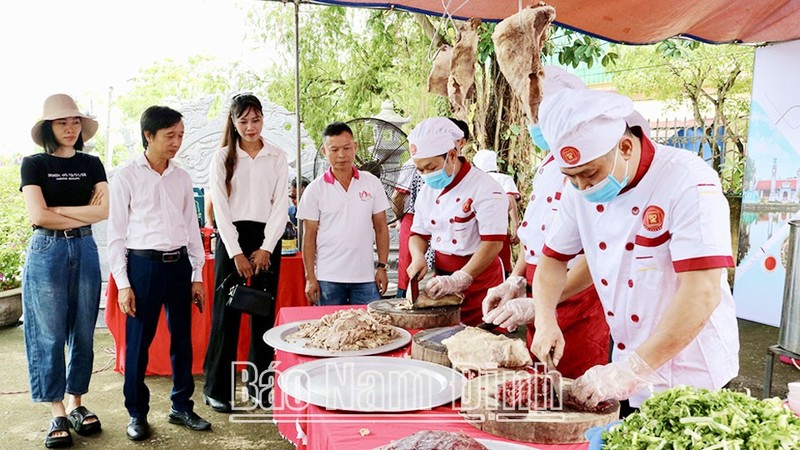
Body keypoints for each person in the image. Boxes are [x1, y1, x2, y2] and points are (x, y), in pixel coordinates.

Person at [529, 88, 739, 414]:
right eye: (571, 178)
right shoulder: (578, 192)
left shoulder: (688, 180)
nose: (583, 188)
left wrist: (632, 369)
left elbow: (703, 290)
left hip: (692, 373)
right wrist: (544, 319)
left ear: (625, 147)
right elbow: (552, 262)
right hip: (626, 363)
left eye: (590, 174)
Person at [481, 67, 610, 380]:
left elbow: (597, 256)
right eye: (531, 115)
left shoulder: (593, 168)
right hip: (543, 290)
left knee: (576, 392)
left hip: (576, 296)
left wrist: (541, 302)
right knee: (539, 386)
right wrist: (515, 280)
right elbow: (536, 238)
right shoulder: (548, 166)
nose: (533, 124)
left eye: (539, 115)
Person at [108, 105, 211, 441]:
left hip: (178, 265)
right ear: (148, 136)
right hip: (143, 267)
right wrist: (124, 285)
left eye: (180, 135)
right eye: (170, 136)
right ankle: (137, 413)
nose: (177, 142)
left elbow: (191, 229)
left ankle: (181, 406)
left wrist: (197, 274)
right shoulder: (126, 177)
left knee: (183, 340)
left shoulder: (181, 177)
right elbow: (116, 237)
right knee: (138, 344)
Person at [21, 94, 108, 448]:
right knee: (50, 334)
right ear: (48, 128)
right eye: (62, 123)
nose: (70, 128)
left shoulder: (92, 163)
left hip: (85, 247)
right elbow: (37, 216)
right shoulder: (34, 164)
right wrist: (79, 209)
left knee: (84, 330)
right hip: (47, 250)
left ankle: (77, 403)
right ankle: (57, 410)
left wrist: (58, 206)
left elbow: (103, 212)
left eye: (74, 122)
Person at [203, 94, 288, 412]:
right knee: (226, 315)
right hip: (231, 239)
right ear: (233, 122)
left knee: (262, 314)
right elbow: (221, 211)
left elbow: (281, 205)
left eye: (256, 119)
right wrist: (236, 252)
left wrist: (266, 248)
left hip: (267, 238)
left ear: (263, 119)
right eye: (244, 121)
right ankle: (216, 389)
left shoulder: (277, 156)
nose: (250, 127)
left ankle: (260, 389)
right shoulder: (222, 157)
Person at [406, 117, 508, 326]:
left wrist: (460, 278)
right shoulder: (427, 191)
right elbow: (418, 234)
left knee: (481, 341)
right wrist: (418, 257)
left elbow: (493, 243)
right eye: (420, 169)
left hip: (480, 280)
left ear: (452, 155)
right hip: (442, 280)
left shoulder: (486, 188)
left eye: (430, 166)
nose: (426, 175)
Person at [297, 122, 391, 305]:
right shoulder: (315, 189)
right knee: (330, 329)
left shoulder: (371, 183)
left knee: (369, 328)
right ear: (325, 151)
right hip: (328, 278)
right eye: (334, 149)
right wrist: (310, 278)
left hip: (365, 277)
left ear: (354, 147)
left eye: (347, 148)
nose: (341, 155)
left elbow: (381, 227)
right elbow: (309, 237)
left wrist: (382, 267)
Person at [472, 149, 521, 274]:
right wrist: (516, 225)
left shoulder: (474, 180)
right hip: (500, 230)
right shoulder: (504, 179)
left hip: (477, 233)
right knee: (502, 265)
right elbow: (510, 199)